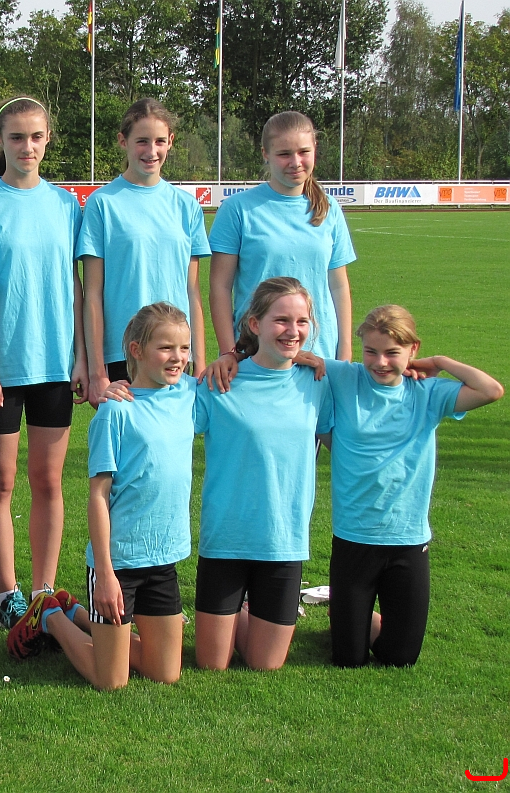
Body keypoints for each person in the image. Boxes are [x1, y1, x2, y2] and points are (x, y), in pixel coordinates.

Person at [7, 303, 194, 690]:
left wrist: (303, 358)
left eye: (184, 348)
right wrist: (106, 574)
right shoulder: (115, 411)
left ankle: (73, 611)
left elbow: (234, 375)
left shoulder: (188, 395)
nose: (178, 357)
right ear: (136, 350)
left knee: (165, 673)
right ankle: (51, 616)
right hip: (118, 565)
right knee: (111, 681)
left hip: (162, 560)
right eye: (166, 347)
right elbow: (97, 496)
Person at [0, 96, 86, 629]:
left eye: (35, 136)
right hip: (2, 370)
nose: (26, 146)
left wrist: (81, 356)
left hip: (55, 365)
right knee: (1, 484)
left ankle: (43, 590)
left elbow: (76, 286)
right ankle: (8, 591)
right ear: (0, 141)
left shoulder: (67, 206)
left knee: (48, 481)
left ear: (47, 139)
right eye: (16, 137)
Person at [324, 305, 503, 668]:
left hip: (407, 540)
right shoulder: (345, 377)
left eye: (392, 353)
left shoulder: (428, 393)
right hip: (354, 536)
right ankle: (347, 615)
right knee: (348, 658)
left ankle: (361, 617)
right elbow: (297, 358)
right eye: (371, 351)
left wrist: (440, 362)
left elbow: (491, 390)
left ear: (413, 349)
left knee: (400, 657)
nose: (380, 363)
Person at [193, 277, 333, 671]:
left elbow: (375, 382)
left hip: (282, 543)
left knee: (265, 664)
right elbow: (165, 412)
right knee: (213, 665)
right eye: (282, 320)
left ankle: (245, 612)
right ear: (255, 324)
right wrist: (122, 389)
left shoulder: (318, 382)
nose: (293, 331)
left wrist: (419, 374)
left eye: (302, 321)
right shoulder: (220, 381)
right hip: (226, 542)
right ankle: (62, 614)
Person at [208, 111, 356, 389]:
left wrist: (344, 355)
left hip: (319, 358)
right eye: (284, 154)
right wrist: (230, 352)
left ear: (315, 150)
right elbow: (219, 288)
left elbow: (338, 287)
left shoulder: (329, 209)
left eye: (304, 152)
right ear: (266, 154)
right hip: (256, 355)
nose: (295, 162)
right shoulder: (237, 209)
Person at [78, 98, 210, 406]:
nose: (151, 151)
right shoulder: (103, 203)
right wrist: (97, 372)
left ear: (170, 142)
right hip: (125, 353)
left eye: (160, 141)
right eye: (142, 141)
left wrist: (199, 360)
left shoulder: (186, 206)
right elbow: (92, 294)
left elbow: (192, 291)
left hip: (176, 352)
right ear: (123, 141)